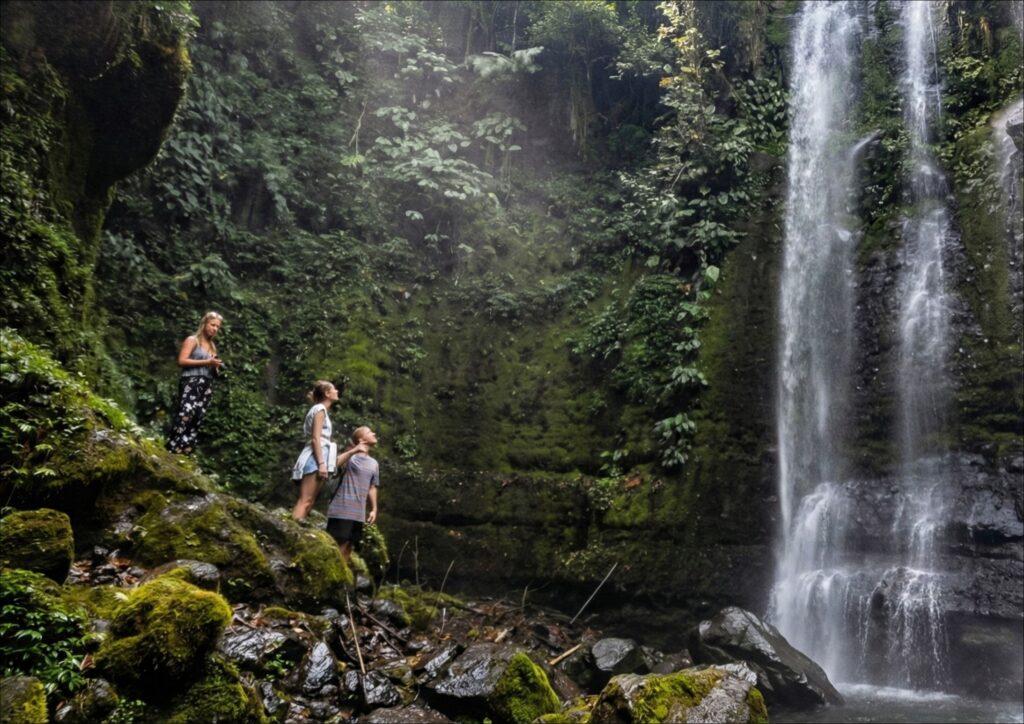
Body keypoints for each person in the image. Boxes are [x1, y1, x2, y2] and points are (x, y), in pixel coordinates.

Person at [166, 311, 224, 455]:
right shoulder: (192, 340)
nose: (215, 329)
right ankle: (173, 447)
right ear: (204, 324)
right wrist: (208, 361)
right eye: (212, 325)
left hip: (206, 384)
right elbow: (182, 361)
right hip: (191, 380)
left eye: (217, 327)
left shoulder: (212, 346)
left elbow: (210, 367)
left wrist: (215, 366)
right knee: (186, 414)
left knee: (197, 416)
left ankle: (186, 450)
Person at [326, 426, 379, 561]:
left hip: (358, 513)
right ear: (361, 439)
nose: (373, 433)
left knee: (349, 546)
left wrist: (374, 509)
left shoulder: (374, 463)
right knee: (340, 545)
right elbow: (334, 463)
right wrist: (354, 450)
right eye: (369, 432)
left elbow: (372, 487)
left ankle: (342, 578)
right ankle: (335, 577)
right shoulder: (351, 458)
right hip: (342, 509)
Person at [291, 380, 342, 521]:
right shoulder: (319, 409)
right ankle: (290, 530)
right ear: (327, 393)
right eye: (334, 389)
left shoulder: (320, 409)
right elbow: (315, 438)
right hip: (315, 457)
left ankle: (297, 530)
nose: (337, 391)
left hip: (320, 456)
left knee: (310, 502)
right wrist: (321, 464)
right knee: (305, 500)